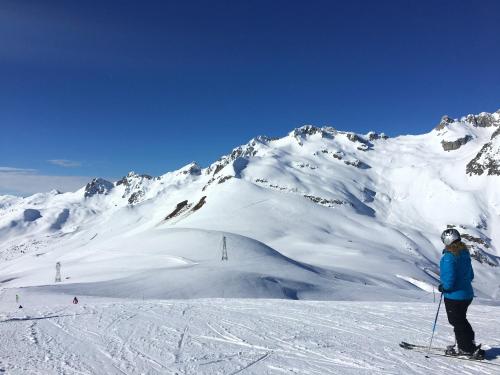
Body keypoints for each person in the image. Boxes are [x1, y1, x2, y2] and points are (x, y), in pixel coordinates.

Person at [439, 228, 485, 359]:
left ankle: (466, 348)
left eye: (444, 240)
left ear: (448, 240)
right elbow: (470, 275)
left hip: (454, 296)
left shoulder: (449, 257)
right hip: (466, 294)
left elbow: (449, 278)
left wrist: (444, 287)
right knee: (461, 320)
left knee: (456, 321)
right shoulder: (464, 253)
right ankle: (467, 344)